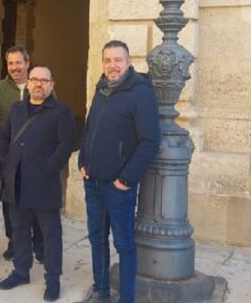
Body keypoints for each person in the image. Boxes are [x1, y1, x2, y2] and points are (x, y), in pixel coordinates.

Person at [78, 40, 160, 303]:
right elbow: (90, 128)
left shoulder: (140, 92)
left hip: (118, 186)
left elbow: (150, 141)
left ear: (128, 62)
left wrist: (125, 180)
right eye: (108, 60)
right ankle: (101, 290)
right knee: (96, 239)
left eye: (118, 60)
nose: (112, 66)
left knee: (123, 244)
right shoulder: (101, 89)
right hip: (93, 181)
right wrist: (83, 160)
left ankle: (126, 298)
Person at [0, 66, 77, 302]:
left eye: (44, 80)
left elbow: (66, 144)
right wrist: (3, 162)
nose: (39, 84)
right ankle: (21, 271)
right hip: (16, 181)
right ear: (28, 83)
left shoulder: (61, 111)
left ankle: (53, 280)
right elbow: (4, 136)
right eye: (35, 79)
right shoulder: (17, 109)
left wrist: (50, 167)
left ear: (52, 85)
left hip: (44, 183)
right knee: (19, 229)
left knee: (50, 234)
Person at [0, 45, 44, 263]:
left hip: (35, 156)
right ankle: (14, 241)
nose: (15, 67)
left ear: (27, 63)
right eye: (10, 63)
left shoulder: (41, 86)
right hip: (9, 157)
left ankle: (37, 243)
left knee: (36, 199)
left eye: (19, 62)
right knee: (9, 202)